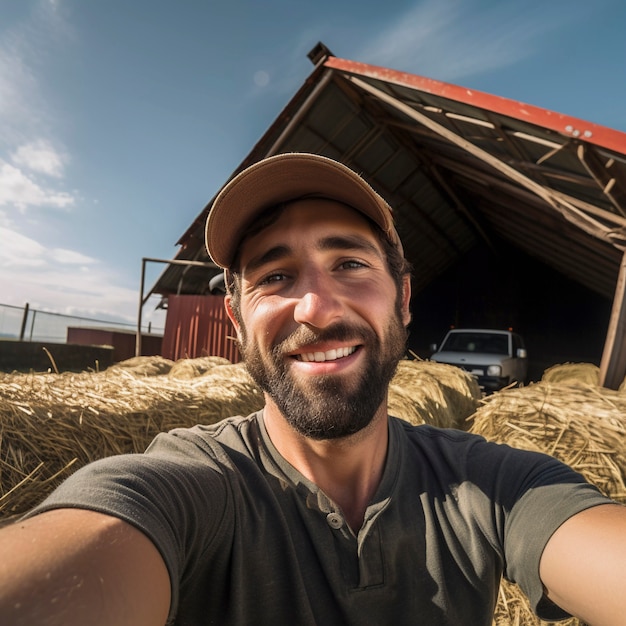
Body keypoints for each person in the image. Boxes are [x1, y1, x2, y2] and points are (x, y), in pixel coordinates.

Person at [0, 153, 624, 626]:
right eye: (275, 275)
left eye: (350, 264)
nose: (315, 309)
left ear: (402, 300)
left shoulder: (495, 486)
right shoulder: (184, 487)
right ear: (238, 321)